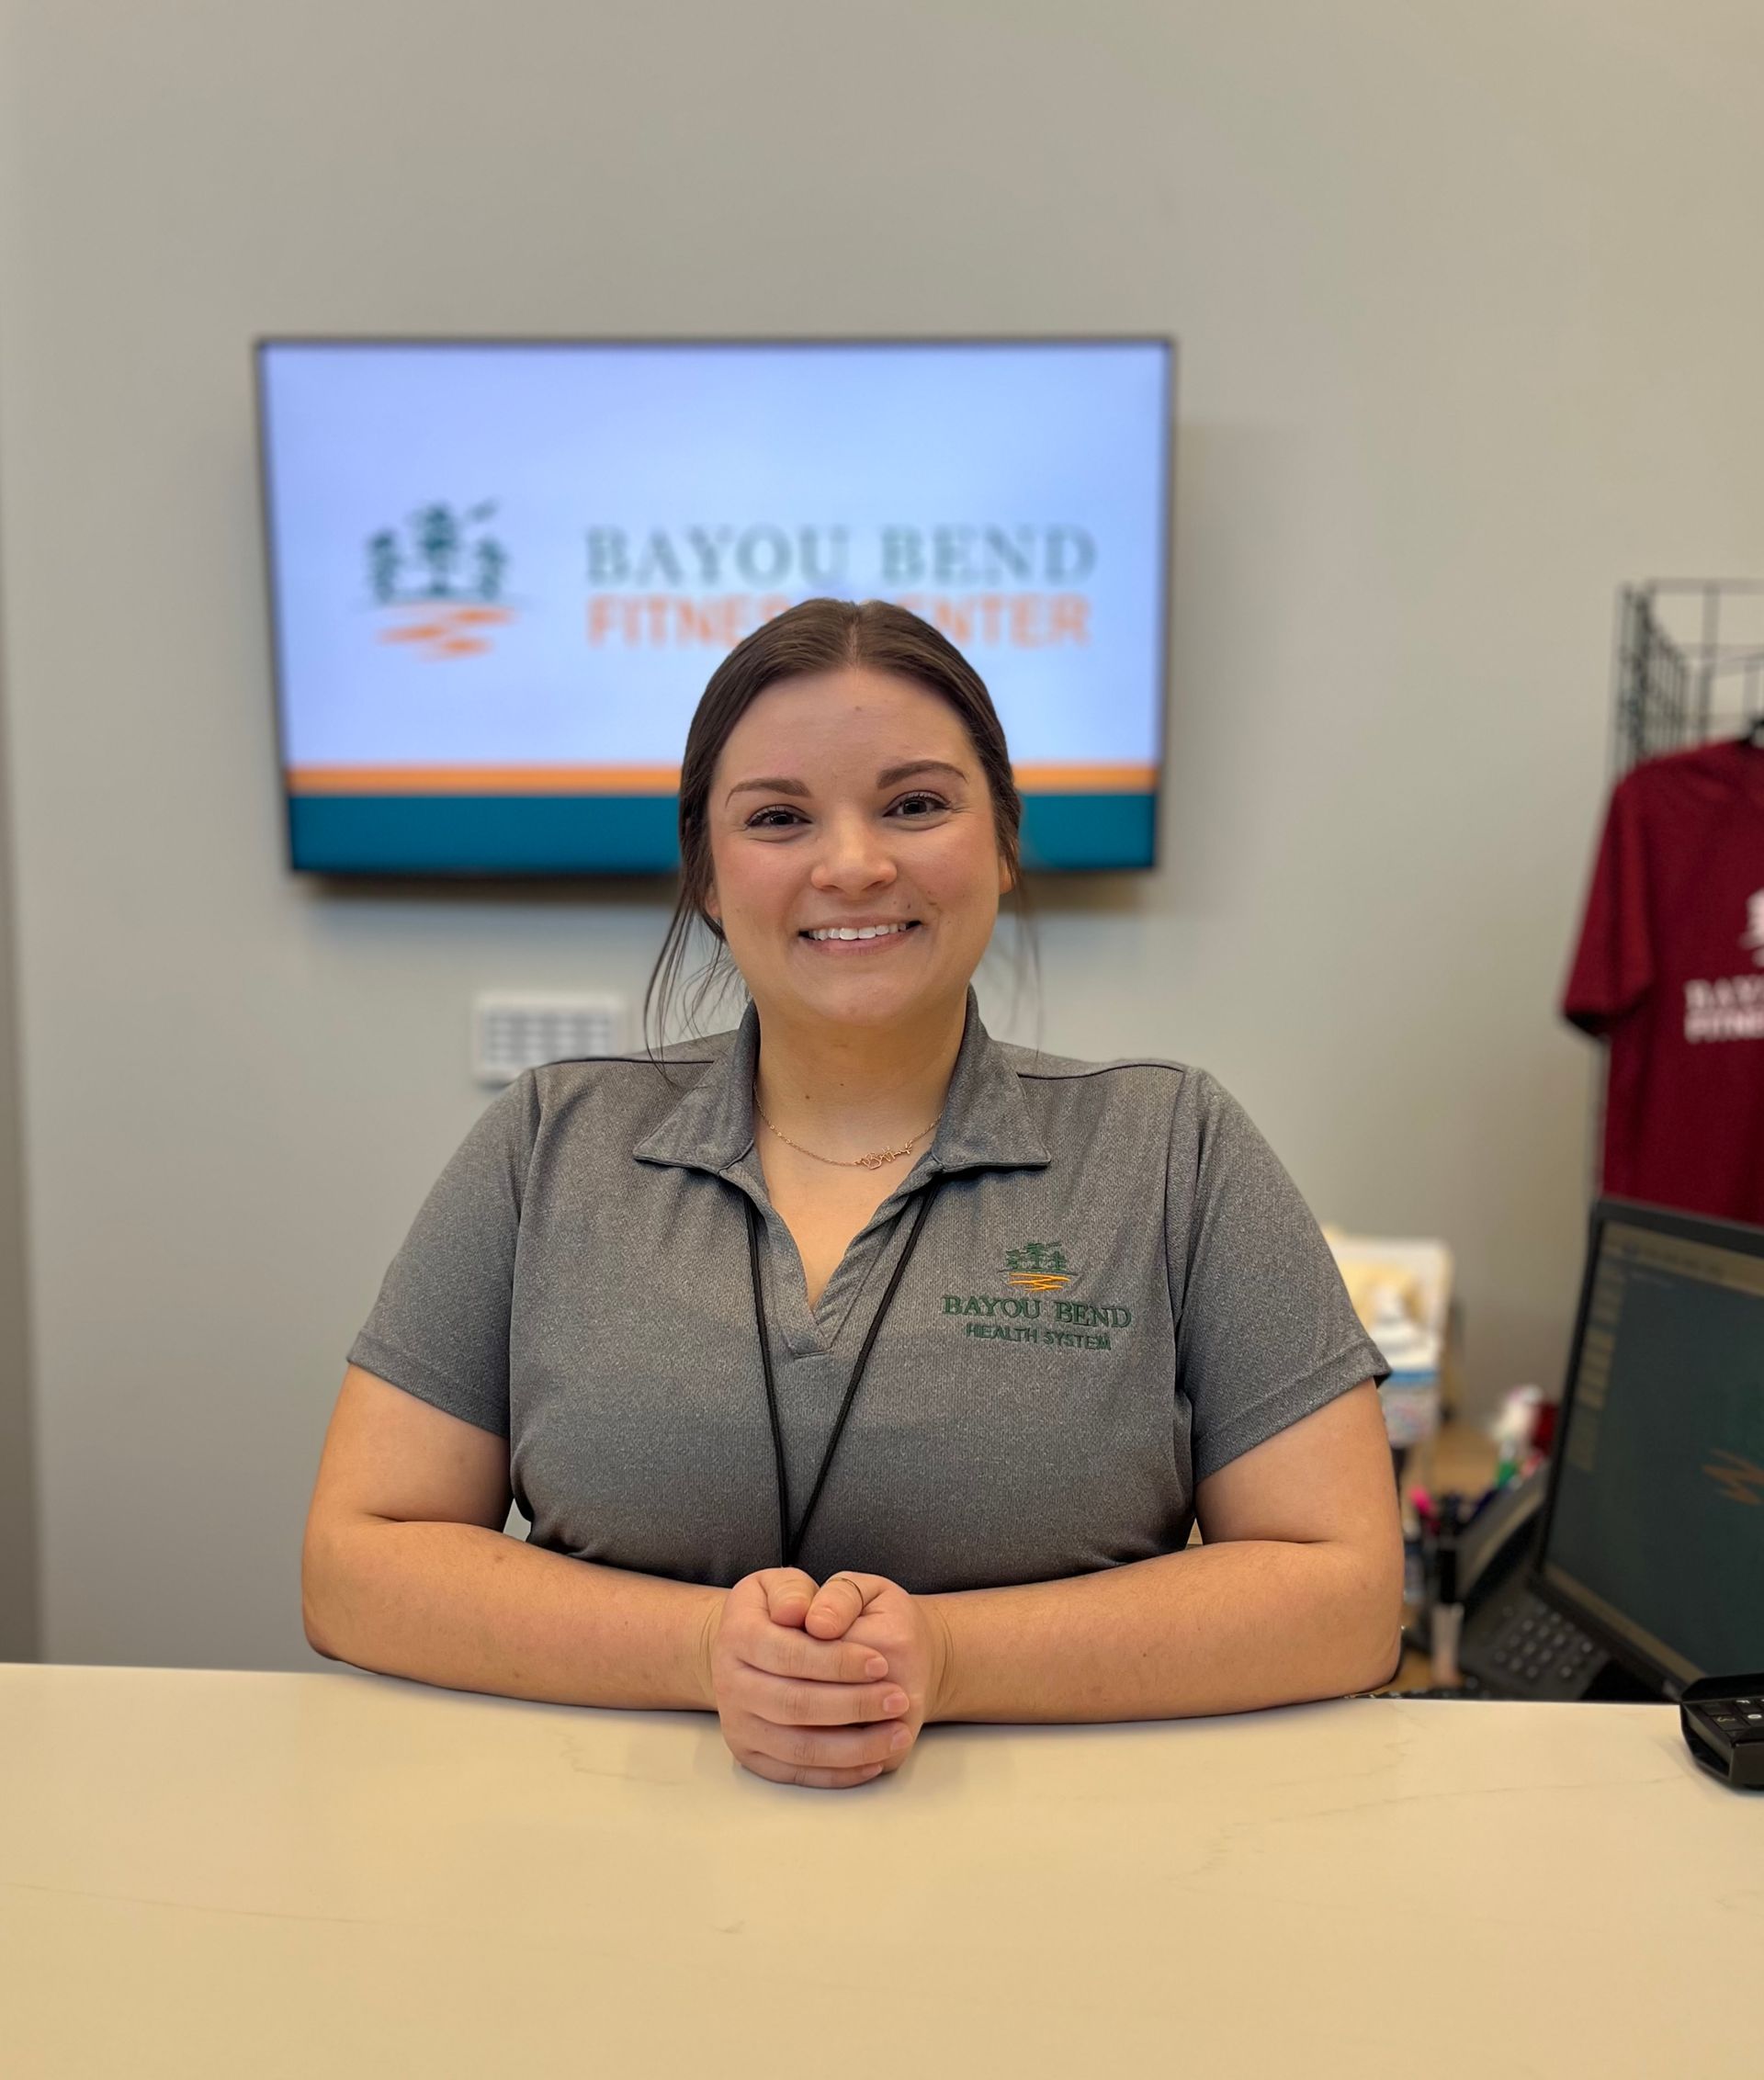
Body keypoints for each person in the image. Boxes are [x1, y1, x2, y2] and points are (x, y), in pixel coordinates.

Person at [301, 598, 1403, 1791]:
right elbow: (356, 1563)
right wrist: (700, 1651)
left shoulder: (1175, 1149)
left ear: (1005, 840)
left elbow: (1345, 1595)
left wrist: (947, 1656)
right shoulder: (548, 1142)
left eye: (915, 805)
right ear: (710, 876)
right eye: (779, 817)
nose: (853, 864)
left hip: (1075, 1894)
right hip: (598, 1882)